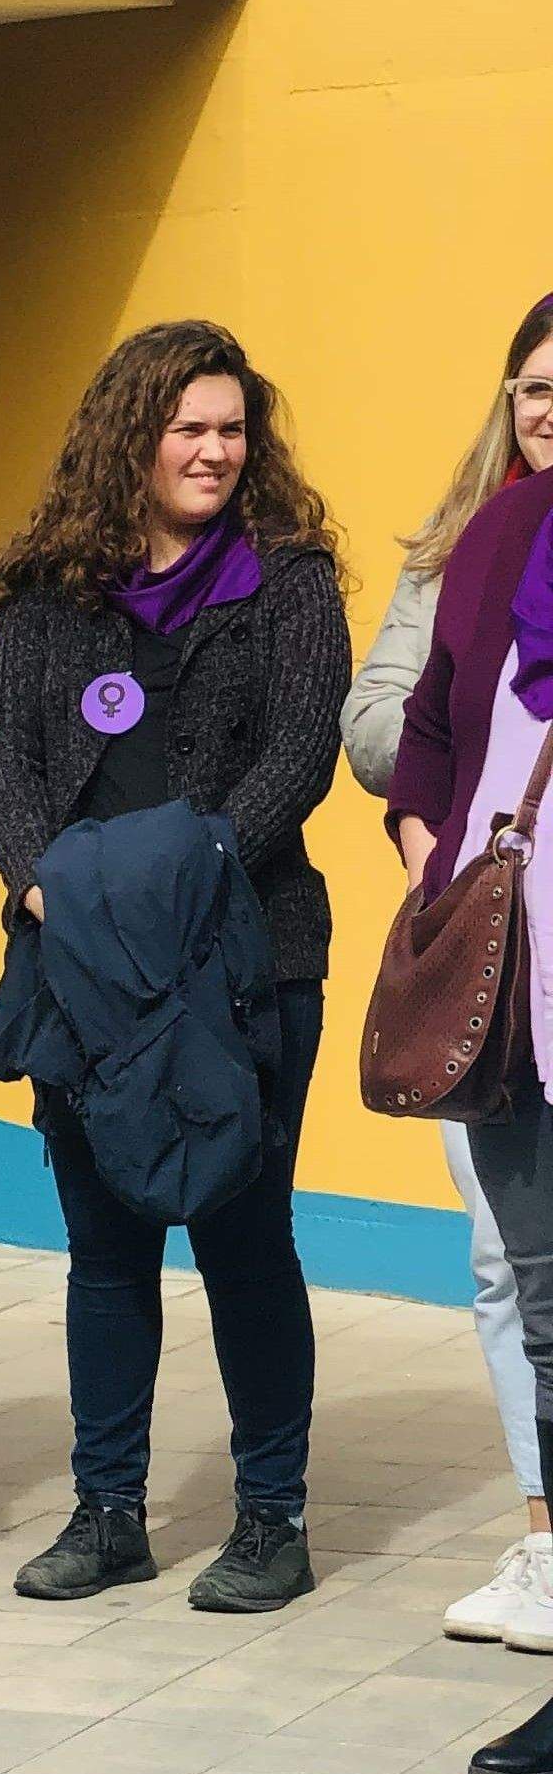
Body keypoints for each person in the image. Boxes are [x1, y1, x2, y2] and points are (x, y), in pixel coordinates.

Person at [0, 320, 349, 1615]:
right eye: (188, 425)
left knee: (247, 1238)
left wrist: (172, 884)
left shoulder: (289, 581)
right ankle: (109, 1510)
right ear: (130, 435)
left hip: (247, 955)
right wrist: (55, 892)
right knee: (107, 1246)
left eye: (231, 428)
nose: (212, 448)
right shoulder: (46, 597)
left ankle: (271, 1516)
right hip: (85, 970)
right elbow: (3, 774)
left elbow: (298, 754)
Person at [345, 293, 553, 1648]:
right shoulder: (481, 544)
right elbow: (403, 723)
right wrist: (436, 850)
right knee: (528, 1283)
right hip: (507, 960)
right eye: (532, 386)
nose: (549, 409)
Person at [390, 427, 553, 1774]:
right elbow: (438, 721)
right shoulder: (502, 536)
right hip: (522, 998)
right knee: (550, 1319)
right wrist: (433, 862)